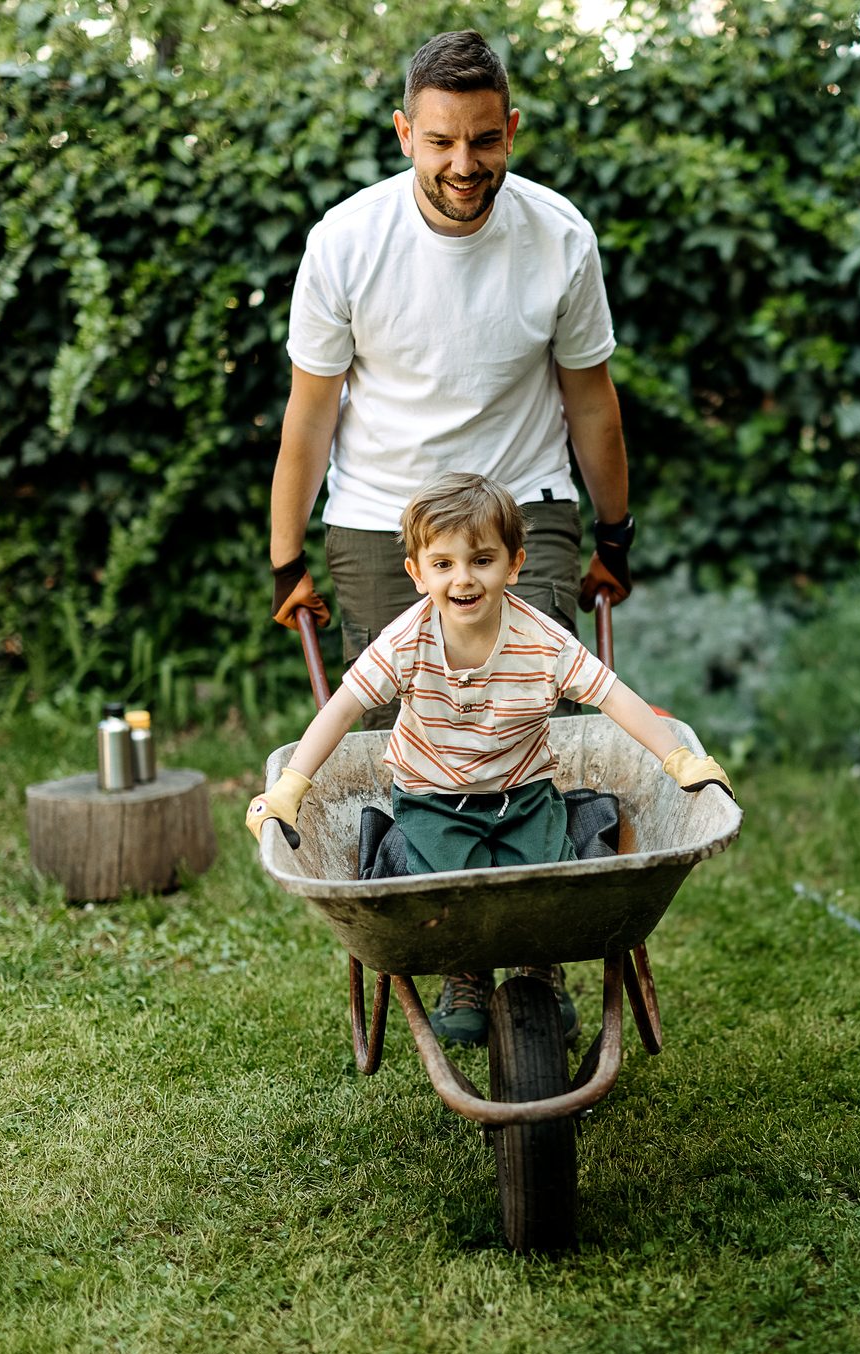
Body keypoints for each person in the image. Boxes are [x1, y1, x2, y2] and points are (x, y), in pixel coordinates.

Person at [246, 475, 733, 1048]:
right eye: (444, 563)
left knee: (553, 885)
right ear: (417, 573)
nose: (464, 578)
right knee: (449, 888)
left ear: (515, 563)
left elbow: (612, 695)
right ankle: (465, 967)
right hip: (433, 797)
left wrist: (677, 759)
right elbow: (343, 708)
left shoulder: (541, 641)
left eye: (482, 559)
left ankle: (539, 967)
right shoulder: (407, 640)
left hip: (524, 794)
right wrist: (292, 787)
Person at [266, 28, 635, 737]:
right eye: (440, 142)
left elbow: (591, 401)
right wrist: (287, 561)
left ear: (512, 132)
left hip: (522, 502)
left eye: (484, 140)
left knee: (537, 735)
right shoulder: (345, 243)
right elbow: (310, 416)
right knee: (394, 746)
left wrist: (614, 536)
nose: (464, 164)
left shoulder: (561, 237)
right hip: (385, 515)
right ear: (405, 134)